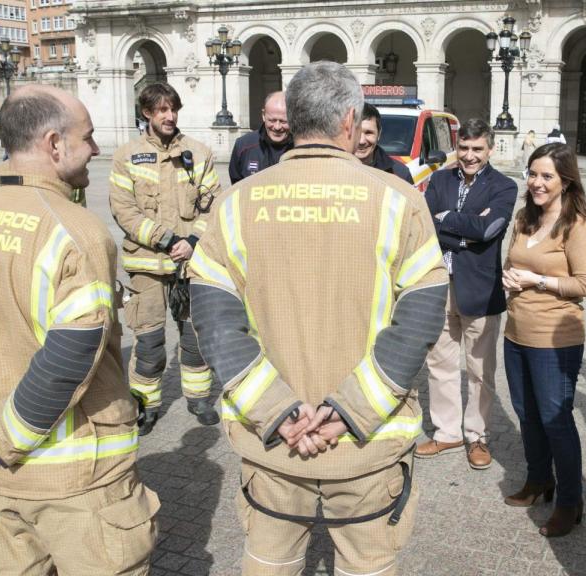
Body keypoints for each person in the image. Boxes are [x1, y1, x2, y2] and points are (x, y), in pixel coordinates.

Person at [188, 60, 447, 576]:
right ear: (350, 121)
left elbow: (215, 320)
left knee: (268, 563)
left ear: (296, 118)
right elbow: (419, 320)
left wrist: (279, 412)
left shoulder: (236, 203)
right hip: (364, 445)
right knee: (367, 566)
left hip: (274, 445)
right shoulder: (400, 201)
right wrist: (348, 410)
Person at [0, 85, 160, 575]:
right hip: (77, 483)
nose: (97, 149)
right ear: (54, 144)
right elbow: (70, 357)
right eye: (88, 137)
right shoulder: (77, 232)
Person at [109, 83, 222, 434]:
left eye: (173, 109)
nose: (169, 116)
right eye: (161, 110)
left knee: (194, 338)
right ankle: (147, 404)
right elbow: (123, 210)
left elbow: (214, 203)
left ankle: (199, 399)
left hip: (189, 264)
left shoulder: (199, 153)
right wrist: (166, 238)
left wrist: (191, 240)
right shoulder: (126, 156)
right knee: (150, 344)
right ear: (146, 112)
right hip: (147, 266)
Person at [501, 142, 586, 538]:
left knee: (556, 421)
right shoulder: (525, 217)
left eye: (547, 176)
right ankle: (539, 480)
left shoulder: (577, 225)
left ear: (565, 181)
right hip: (516, 333)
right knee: (527, 414)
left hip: (556, 339)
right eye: (533, 173)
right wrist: (509, 277)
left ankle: (570, 502)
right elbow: (512, 263)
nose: (537, 183)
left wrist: (536, 280)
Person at [415, 118, 518, 469]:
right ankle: (447, 433)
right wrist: (464, 231)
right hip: (440, 284)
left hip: (479, 290)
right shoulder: (439, 179)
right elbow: (426, 226)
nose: (470, 156)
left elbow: (490, 229)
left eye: (477, 149)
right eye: (464, 148)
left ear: (490, 150)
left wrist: (449, 219)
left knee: (480, 370)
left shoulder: (504, 186)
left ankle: (477, 436)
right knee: (440, 365)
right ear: (456, 148)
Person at [228, 91, 292, 183]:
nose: (277, 127)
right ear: (263, 115)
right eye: (272, 120)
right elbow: (236, 186)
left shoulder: (302, 146)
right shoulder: (243, 145)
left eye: (283, 122)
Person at [355, 103, 413, 184]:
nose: (361, 141)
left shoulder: (400, 174)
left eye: (368, 133)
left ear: (379, 134)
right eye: (356, 132)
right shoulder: (332, 169)